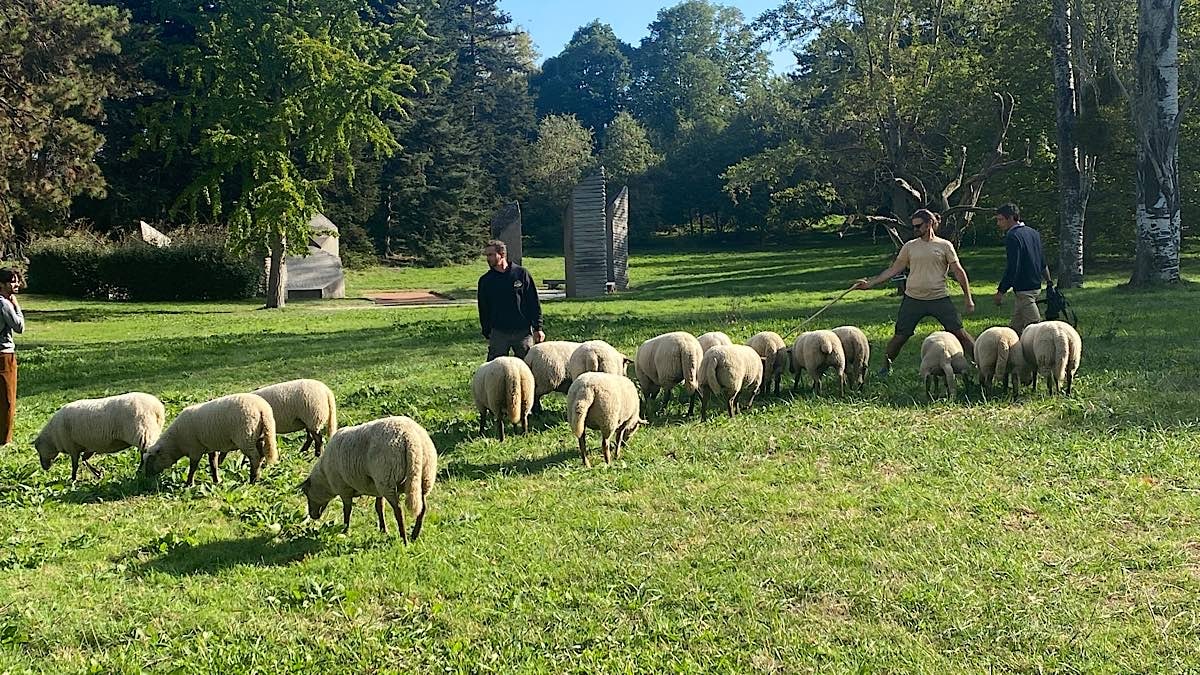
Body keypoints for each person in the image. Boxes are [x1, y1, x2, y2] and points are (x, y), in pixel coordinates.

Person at [852, 209, 975, 376]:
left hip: (939, 298)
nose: (915, 229)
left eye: (918, 226)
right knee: (900, 336)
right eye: (914, 226)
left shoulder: (945, 246)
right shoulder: (909, 247)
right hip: (913, 299)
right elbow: (893, 269)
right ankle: (885, 368)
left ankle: (980, 363)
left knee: (959, 332)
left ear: (930, 223)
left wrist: (968, 298)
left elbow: (959, 272)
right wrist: (870, 283)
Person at [478, 240, 544, 360]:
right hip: (499, 332)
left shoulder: (521, 274)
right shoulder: (486, 281)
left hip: (522, 331)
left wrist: (538, 328)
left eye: (491, 255)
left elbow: (533, 301)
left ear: (502, 255)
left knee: (528, 367)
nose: (488, 258)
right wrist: (487, 331)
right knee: (495, 369)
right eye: (487, 255)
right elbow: (483, 308)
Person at [993, 203, 1052, 334]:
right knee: (1016, 328)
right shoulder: (1033, 233)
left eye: (1000, 219)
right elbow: (1042, 260)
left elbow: (1013, 266)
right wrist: (1048, 281)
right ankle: (1012, 351)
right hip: (1036, 284)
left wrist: (1001, 291)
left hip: (1024, 288)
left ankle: (1044, 349)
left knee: (1037, 328)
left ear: (1012, 218)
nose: (998, 223)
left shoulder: (1012, 236)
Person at [0, 269, 24, 447]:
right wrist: (16, 305)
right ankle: (5, 439)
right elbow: (19, 327)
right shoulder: (4, 304)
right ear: (2, 284)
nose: (17, 285)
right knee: (8, 398)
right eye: (13, 282)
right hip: (4, 355)